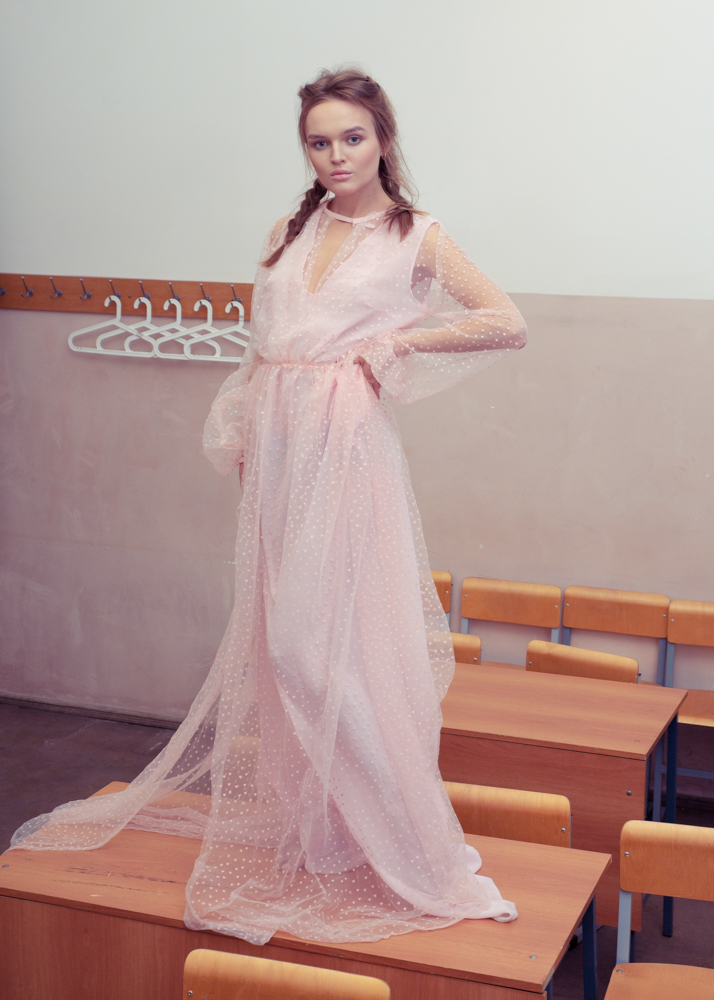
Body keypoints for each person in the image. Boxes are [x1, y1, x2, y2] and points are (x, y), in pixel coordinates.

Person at [11, 68, 526, 944]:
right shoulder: (292, 228)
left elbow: (502, 319)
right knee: (286, 644)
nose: (336, 156)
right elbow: (263, 347)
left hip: (344, 439)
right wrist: (246, 431)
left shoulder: (417, 235)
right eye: (319, 142)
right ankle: (334, 833)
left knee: (311, 647)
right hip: (280, 444)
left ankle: (417, 849)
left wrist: (389, 349)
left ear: (383, 139)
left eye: (352, 137)